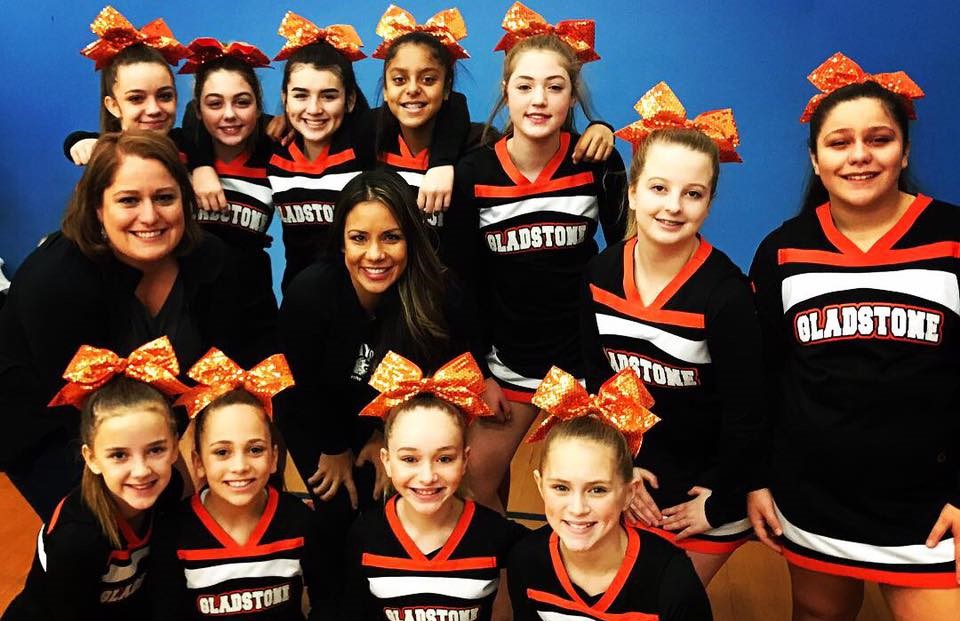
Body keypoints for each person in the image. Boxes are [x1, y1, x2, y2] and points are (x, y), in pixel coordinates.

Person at [748, 52, 960, 620]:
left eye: (879, 138)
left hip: (929, 509)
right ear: (816, 160)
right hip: (814, 501)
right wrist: (757, 479)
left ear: (905, 150)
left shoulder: (953, 239)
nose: (860, 155)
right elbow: (763, 378)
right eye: (839, 143)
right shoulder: (784, 250)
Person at [0, 130, 275, 518]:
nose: (150, 216)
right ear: (97, 208)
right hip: (54, 430)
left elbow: (239, 363)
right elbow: (78, 408)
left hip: (164, 427)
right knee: (104, 534)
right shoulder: (53, 283)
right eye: (129, 200)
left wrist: (207, 449)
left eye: (164, 198)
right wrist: (175, 467)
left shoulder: (217, 262)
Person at [277, 169, 486, 607]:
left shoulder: (438, 291)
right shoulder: (310, 293)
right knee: (335, 512)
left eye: (391, 238)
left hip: (394, 420)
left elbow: (448, 370)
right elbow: (299, 389)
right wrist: (333, 449)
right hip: (317, 416)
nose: (375, 254)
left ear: (411, 239)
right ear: (341, 242)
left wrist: (381, 436)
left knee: (383, 510)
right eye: (359, 238)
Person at [448, 2, 627, 512]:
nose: (539, 99)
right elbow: (461, 281)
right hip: (510, 361)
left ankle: (573, 582)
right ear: (506, 93)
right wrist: (479, 372)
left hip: (583, 359)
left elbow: (625, 256)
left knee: (584, 491)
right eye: (525, 86)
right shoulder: (475, 172)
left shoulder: (596, 160)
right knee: (475, 477)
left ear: (573, 95)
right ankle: (505, 586)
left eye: (555, 86)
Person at [580, 82, 762, 584]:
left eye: (693, 193)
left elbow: (749, 412)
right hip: (632, 478)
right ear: (633, 192)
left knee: (658, 598)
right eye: (659, 188)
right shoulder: (599, 273)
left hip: (705, 490)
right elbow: (598, 380)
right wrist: (618, 470)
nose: (673, 206)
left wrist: (722, 499)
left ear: (709, 203)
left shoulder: (725, 295)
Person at [269, 11, 470, 290]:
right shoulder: (273, 143)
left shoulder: (364, 136)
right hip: (305, 299)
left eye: (328, 96)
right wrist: (284, 118)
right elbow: (209, 116)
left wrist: (441, 163)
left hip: (408, 294)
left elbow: (455, 104)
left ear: (349, 100)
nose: (314, 108)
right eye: (300, 95)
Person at [2, 338, 186, 621]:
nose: (141, 471)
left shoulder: (169, 490)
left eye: (156, 450)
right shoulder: (78, 536)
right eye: (119, 455)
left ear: (175, 447)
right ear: (91, 458)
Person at [508, 366, 712, 621]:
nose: (578, 507)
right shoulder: (526, 559)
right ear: (540, 485)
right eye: (561, 487)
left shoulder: (671, 579)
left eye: (597, 490)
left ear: (629, 493)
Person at [343, 351, 528, 621]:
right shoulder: (365, 535)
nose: (428, 475)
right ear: (387, 461)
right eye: (410, 459)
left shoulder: (496, 534)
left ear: (465, 460)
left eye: (444, 458)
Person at [149, 348, 323, 619]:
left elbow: (328, 601)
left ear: (274, 457)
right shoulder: (173, 530)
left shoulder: (300, 521)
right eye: (222, 452)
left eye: (255, 450)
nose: (240, 466)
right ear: (198, 462)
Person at [63, 6, 222, 204]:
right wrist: (78, 143)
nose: (154, 109)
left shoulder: (189, 147)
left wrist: (202, 167)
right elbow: (83, 141)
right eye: (136, 98)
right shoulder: (106, 152)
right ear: (112, 105)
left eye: (164, 96)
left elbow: (197, 121)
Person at [181, 37, 278, 317]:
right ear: (198, 110)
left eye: (242, 102)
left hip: (251, 310)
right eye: (214, 104)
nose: (229, 115)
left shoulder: (276, 152)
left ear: (258, 107)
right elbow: (116, 143)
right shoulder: (176, 152)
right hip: (185, 315)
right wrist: (79, 142)